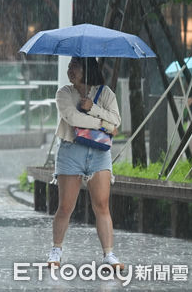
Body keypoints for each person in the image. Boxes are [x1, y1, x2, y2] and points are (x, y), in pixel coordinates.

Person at [47, 57, 123, 270]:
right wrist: (103, 124)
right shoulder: (64, 93)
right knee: (65, 206)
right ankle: (56, 249)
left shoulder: (106, 93)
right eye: (70, 66)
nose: (70, 70)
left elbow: (117, 120)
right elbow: (73, 118)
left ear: (87, 68)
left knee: (101, 205)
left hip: (99, 152)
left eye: (75, 66)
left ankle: (109, 254)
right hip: (71, 151)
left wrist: (94, 108)